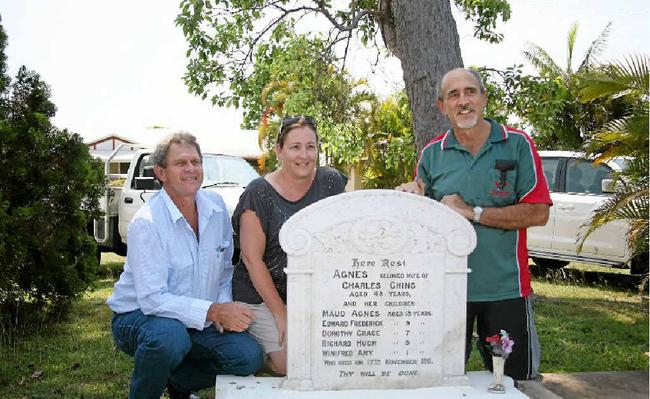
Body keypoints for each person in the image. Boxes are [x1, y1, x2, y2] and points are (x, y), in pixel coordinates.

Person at [397, 68, 552, 380]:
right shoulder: (432, 154)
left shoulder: (517, 144)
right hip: (446, 290)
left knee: (514, 379)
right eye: (453, 95)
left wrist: (472, 212)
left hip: (505, 288)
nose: (463, 101)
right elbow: (423, 218)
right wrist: (410, 199)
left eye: (470, 92)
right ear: (442, 106)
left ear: (484, 99)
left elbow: (538, 213)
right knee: (436, 378)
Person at [107, 132, 263, 399]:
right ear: (161, 172)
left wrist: (223, 308)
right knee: (170, 337)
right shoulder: (148, 223)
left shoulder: (215, 209)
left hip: (197, 320)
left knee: (248, 356)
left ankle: (178, 382)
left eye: (195, 161)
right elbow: (153, 300)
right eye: (180, 163)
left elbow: (225, 271)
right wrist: (214, 312)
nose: (191, 168)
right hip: (139, 317)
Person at [231, 116, 347, 376]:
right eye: (295, 147)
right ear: (279, 150)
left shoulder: (331, 182)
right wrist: (281, 314)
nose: (304, 155)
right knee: (289, 364)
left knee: (331, 355)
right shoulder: (258, 193)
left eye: (311, 146)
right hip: (260, 294)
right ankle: (248, 353)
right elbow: (252, 259)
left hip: (308, 291)